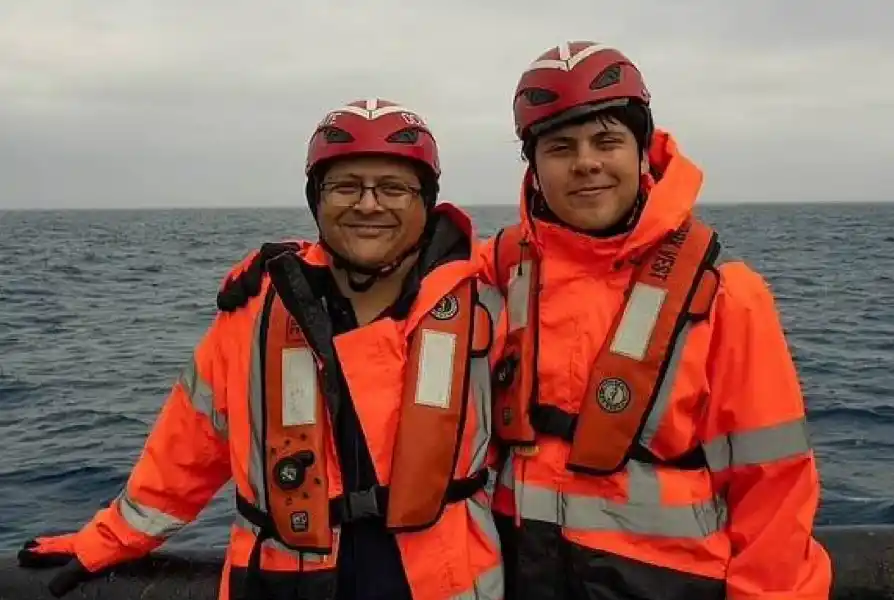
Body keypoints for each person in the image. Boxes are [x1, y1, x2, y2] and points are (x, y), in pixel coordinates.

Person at [17, 98, 508, 600]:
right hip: (282, 582)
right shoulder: (254, 311)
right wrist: (109, 540)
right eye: (344, 186)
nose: (368, 204)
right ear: (316, 198)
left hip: (445, 583)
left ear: (427, 201)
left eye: (394, 188)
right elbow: (185, 450)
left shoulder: (487, 299)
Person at [485, 41, 833, 599]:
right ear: (533, 166)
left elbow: (774, 489)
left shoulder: (726, 296)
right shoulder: (495, 272)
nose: (586, 163)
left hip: (669, 584)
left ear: (644, 151)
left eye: (607, 140)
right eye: (559, 147)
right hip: (518, 573)